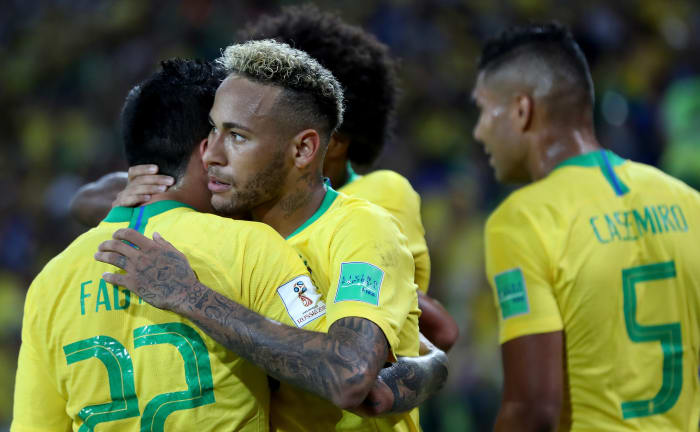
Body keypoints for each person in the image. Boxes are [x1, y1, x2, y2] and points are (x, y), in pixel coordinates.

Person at [13, 58, 444, 432]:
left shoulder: (51, 280)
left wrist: (189, 294)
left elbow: (356, 371)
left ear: (302, 148)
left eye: (236, 136)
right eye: (215, 133)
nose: (217, 153)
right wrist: (434, 364)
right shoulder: (246, 242)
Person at [69, 5, 459, 353]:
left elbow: (428, 328)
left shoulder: (374, 200)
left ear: (326, 142)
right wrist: (150, 192)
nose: (216, 154)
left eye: (242, 133)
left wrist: (421, 371)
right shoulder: (251, 202)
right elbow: (85, 199)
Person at [474, 23, 700, 431]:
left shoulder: (523, 220)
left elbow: (532, 410)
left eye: (484, 109)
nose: (479, 131)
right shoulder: (688, 202)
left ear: (521, 111)